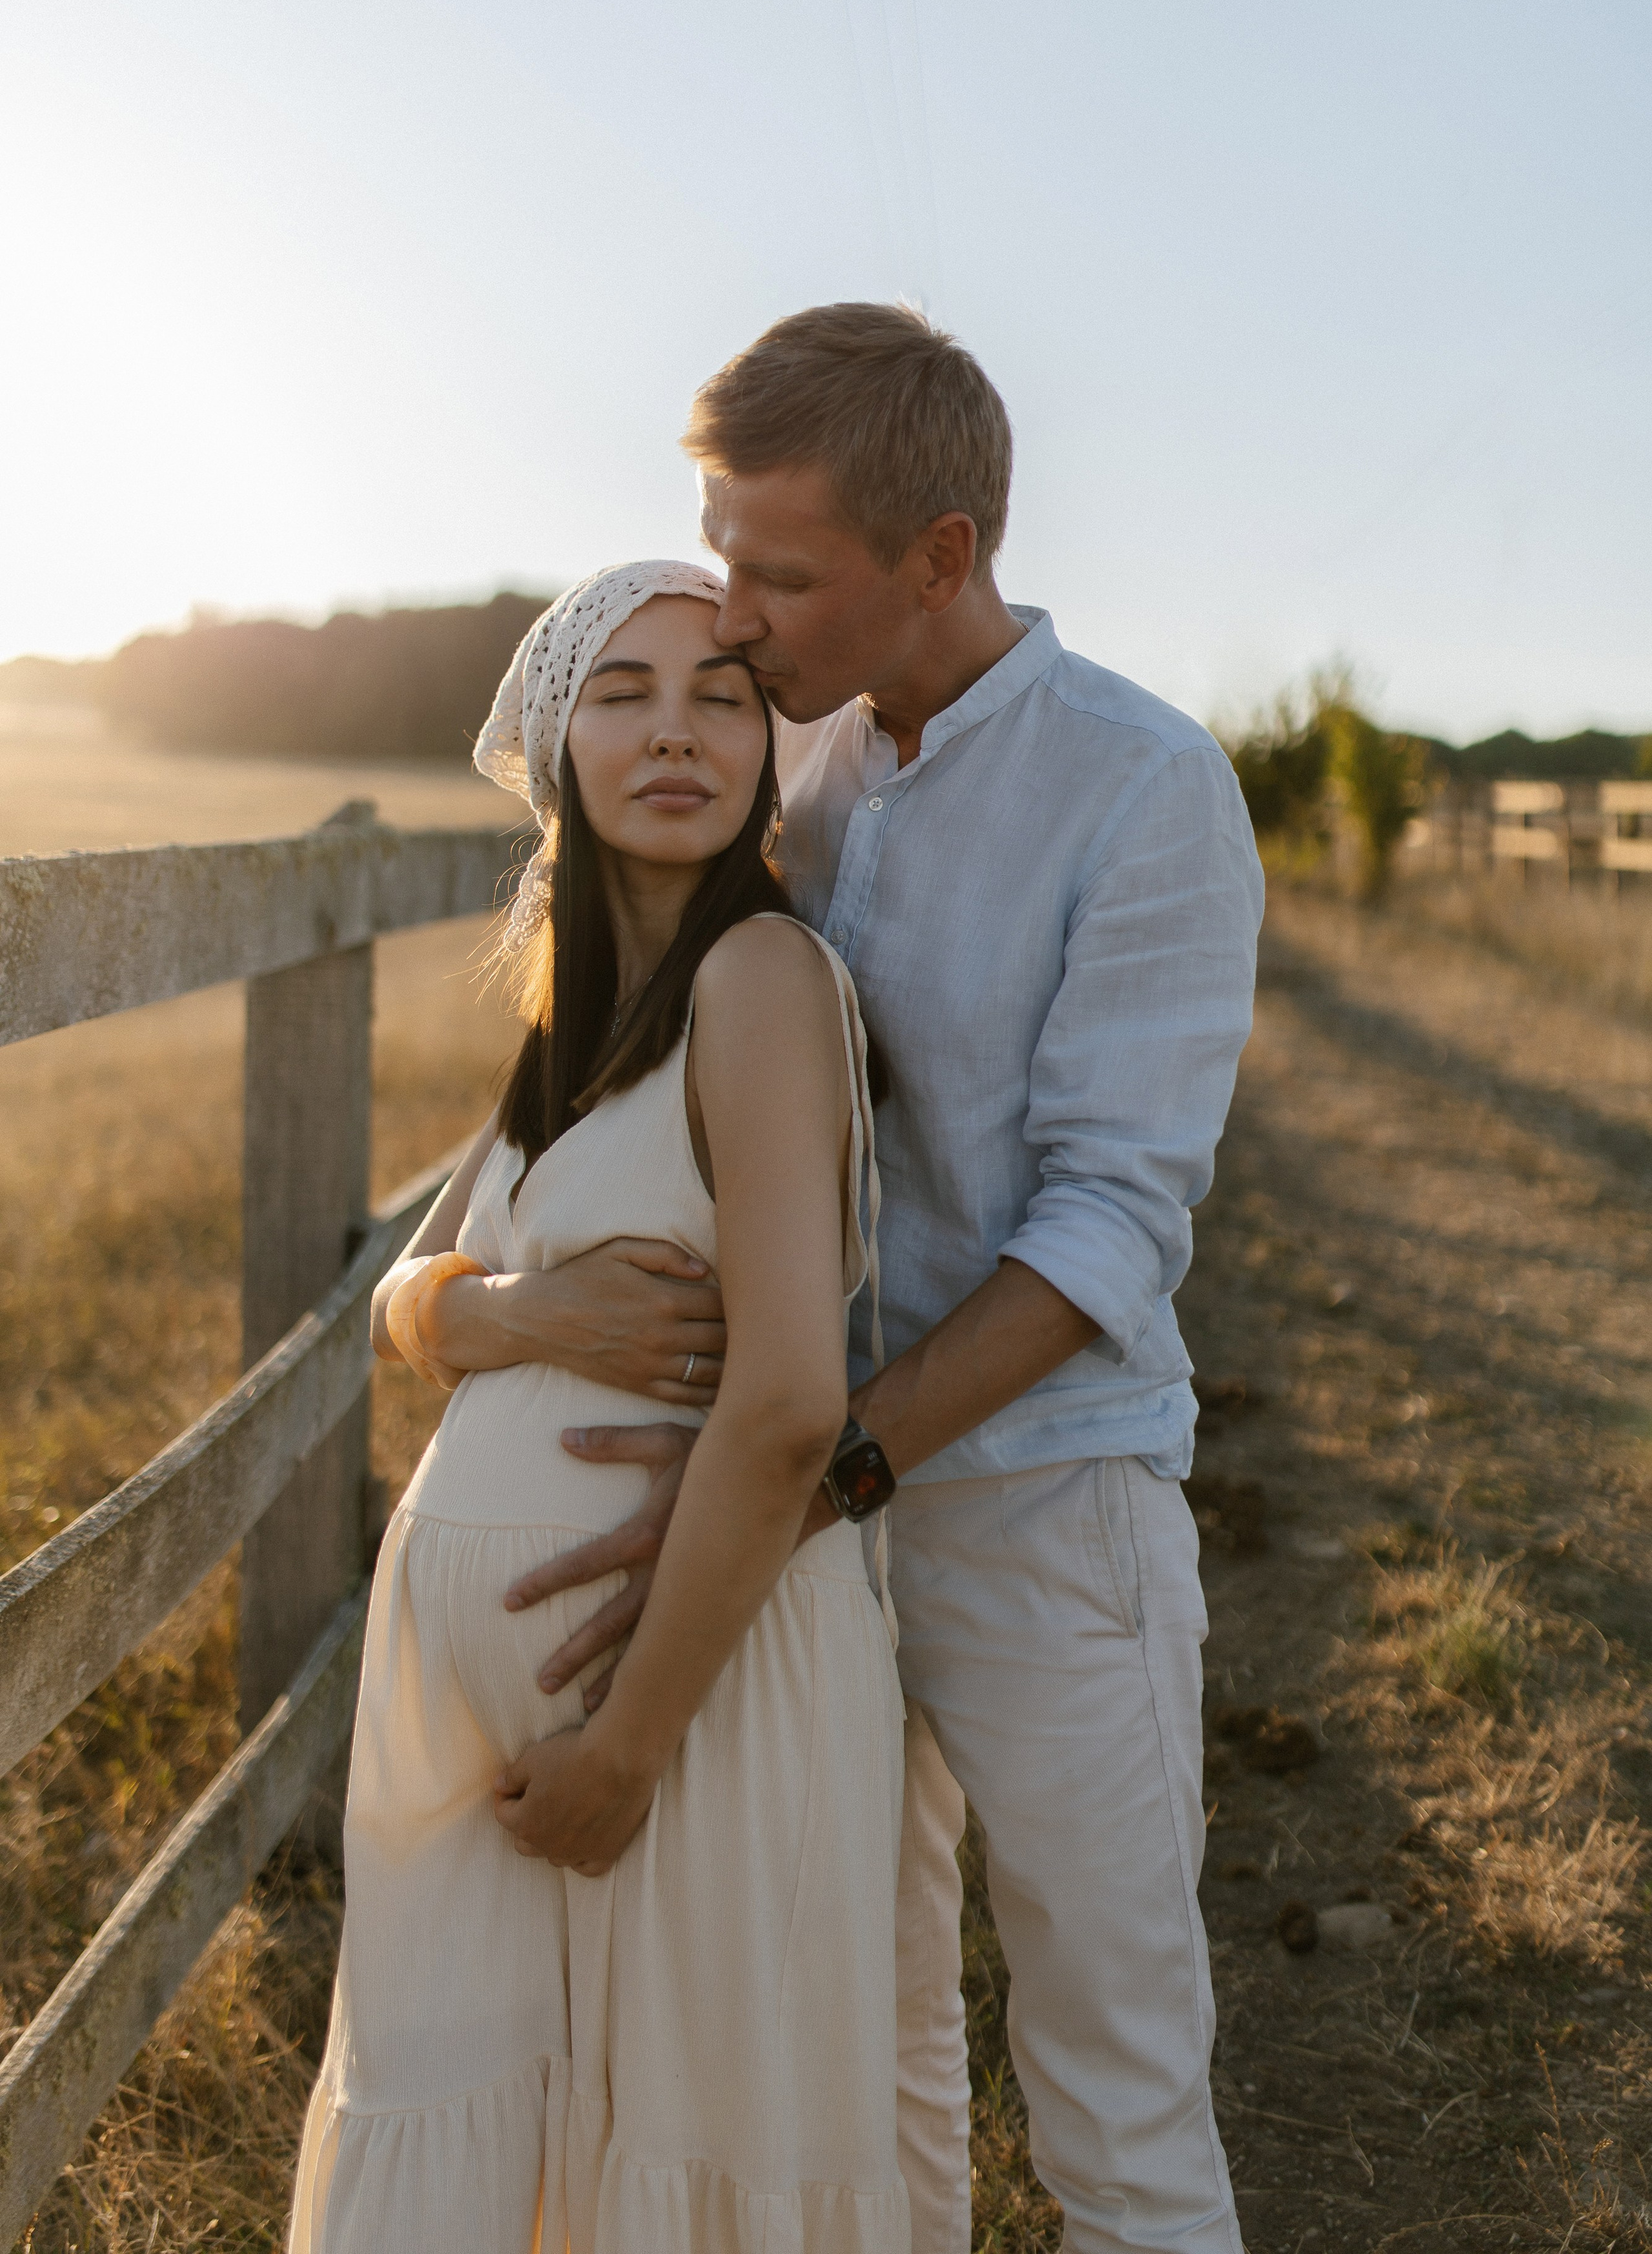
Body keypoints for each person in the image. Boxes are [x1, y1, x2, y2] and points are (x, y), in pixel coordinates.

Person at [479, 308, 1268, 2254]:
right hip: (797, 1527)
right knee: (870, 2034)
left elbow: (1105, 1228)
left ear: (942, 558)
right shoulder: (780, 752)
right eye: (721, 551)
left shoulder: (1145, 790)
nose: (729, 619)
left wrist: (818, 1467)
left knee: (1115, 2081)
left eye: (777, 573)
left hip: (1031, 1502)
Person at [288, 561, 910, 2254]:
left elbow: (787, 1404)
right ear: (559, 745)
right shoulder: (577, 1026)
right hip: (490, 1751)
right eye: (624, 695)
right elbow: (405, 1306)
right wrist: (524, 1309)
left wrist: (626, 1748)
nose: (677, 732)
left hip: (691, 1703)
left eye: (723, 694)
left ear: (773, 747)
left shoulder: (761, 981)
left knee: (684, 2165)